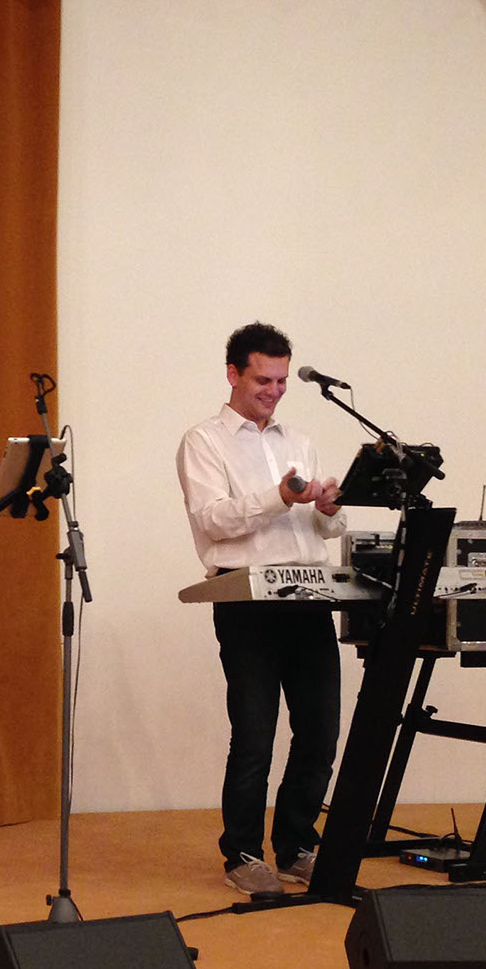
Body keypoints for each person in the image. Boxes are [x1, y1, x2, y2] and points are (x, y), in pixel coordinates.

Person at [176, 322, 346, 897]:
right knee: (254, 732)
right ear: (233, 374)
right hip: (246, 599)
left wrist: (328, 508)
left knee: (320, 731)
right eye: (262, 380)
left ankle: (297, 846)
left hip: (309, 595)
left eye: (281, 380)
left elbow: (324, 530)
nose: (273, 390)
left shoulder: (299, 440)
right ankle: (243, 853)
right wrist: (279, 497)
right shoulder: (204, 441)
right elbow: (213, 520)